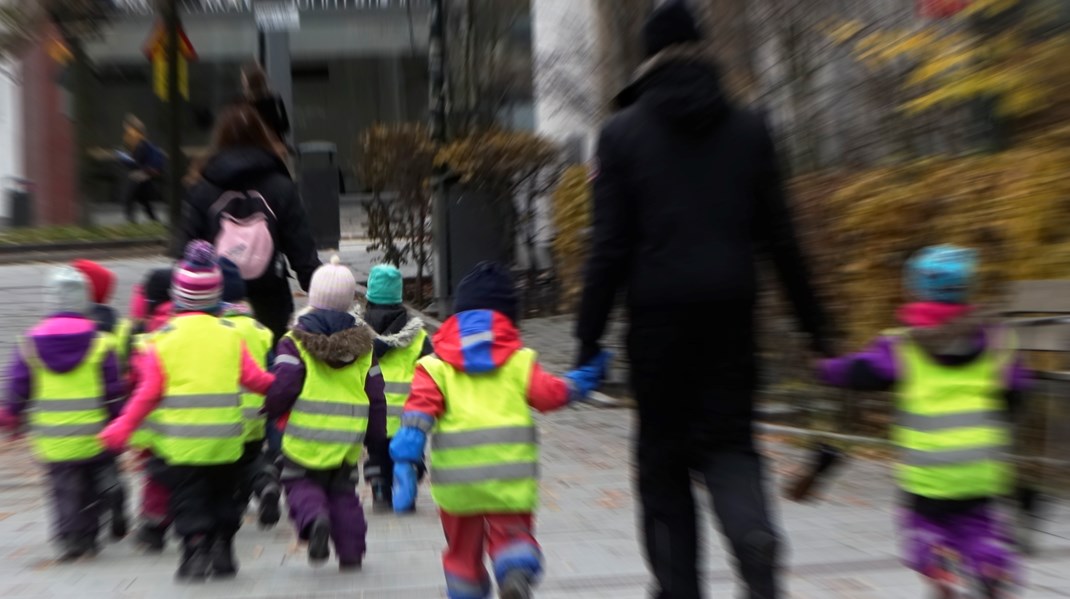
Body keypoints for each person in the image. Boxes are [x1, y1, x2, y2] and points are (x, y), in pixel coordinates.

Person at [575, 2, 833, 597]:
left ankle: (677, 586)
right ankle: (754, 536)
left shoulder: (620, 135)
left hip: (659, 327)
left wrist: (589, 338)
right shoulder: (751, 128)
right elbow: (783, 241)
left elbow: (608, 248)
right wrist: (820, 333)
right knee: (731, 447)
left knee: (663, 465)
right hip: (731, 322)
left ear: (649, 59)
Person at [818, 245, 1024, 599]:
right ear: (967, 287)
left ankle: (936, 557)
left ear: (917, 287)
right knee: (981, 529)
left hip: (927, 475)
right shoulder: (997, 338)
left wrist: (824, 368)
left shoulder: (901, 344)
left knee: (923, 526)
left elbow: (860, 372)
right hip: (981, 471)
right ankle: (991, 565)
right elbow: (1016, 393)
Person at [390, 262, 606, 599]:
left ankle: (467, 590)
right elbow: (551, 394)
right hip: (510, 478)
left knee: (462, 553)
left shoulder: (435, 366)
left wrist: (406, 455)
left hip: (457, 486)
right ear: (508, 318)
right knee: (513, 536)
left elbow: (419, 412)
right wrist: (581, 381)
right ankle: (514, 570)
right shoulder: (519, 361)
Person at [100, 241, 275, 582]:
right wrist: (285, 386)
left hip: (182, 447)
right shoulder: (230, 337)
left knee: (190, 499)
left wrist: (122, 428)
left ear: (178, 296)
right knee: (224, 495)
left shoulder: (161, 341)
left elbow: (146, 394)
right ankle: (223, 550)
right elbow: (257, 380)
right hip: (226, 443)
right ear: (216, 298)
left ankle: (195, 551)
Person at [265, 256, 386, 570]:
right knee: (343, 492)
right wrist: (376, 439)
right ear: (349, 302)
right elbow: (375, 396)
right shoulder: (364, 347)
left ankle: (314, 520)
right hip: (346, 441)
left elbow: (285, 385)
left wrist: (270, 407)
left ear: (312, 298)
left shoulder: (294, 343)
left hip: (304, 437)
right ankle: (351, 552)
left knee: (300, 485)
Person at [0, 266, 126, 560]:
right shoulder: (100, 342)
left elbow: (20, 386)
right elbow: (112, 389)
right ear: (83, 300)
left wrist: (11, 415)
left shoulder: (30, 342)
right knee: (90, 486)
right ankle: (91, 536)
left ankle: (70, 537)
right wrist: (118, 418)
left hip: (53, 438)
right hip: (93, 434)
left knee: (63, 489)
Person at [179, 103, 321, 344]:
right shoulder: (280, 186)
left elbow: (185, 249)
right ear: (262, 136)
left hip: (215, 302)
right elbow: (301, 249)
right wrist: (324, 297)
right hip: (270, 300)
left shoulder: (202, 188)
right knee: (270, 365)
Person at [362, 264, 433, 512]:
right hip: (408, 415)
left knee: (376, 453)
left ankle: (380, 489)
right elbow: (433, 371)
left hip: (373, 414)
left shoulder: (357, 333)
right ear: (399, 297)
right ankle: (408, 475)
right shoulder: (418, 337)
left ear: (369, 295)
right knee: (409, 451)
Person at [70, 259, 131, 539]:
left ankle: (93, 515)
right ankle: (113, 488)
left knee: (81, 473)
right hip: (113, 407)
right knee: (107, 461)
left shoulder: (70, 327)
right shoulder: (121, 327)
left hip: (76, 410)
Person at [219, 258, 282, 528]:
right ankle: (265, 484)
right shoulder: (260, 330)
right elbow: (272, 373)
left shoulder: (216, 330)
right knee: (253, 459)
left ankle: (237, 502)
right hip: (256, 414)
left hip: (224, 414)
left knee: (229, 467)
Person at [125, 267, 177, 552]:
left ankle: (154, 527)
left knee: (156, 475)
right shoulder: (186, 324)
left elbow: (132, 379)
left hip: (152, 422)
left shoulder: (143, 332)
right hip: (190, 419)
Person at [121, 115, 162, 224]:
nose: (126, 130)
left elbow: (136, 163)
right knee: (144, 201)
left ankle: (131, 221)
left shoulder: (140, 143)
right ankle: (154, 221)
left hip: (143, 173)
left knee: (128, 197)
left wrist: (124, 159)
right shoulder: (141, 142)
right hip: (146, 173)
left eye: (127, 127)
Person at [241, 63, 291, 147]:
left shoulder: (244, 104)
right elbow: (285, 127)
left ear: (247, 83)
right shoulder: (276, 100)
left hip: (254, 148)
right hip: (274, 147)